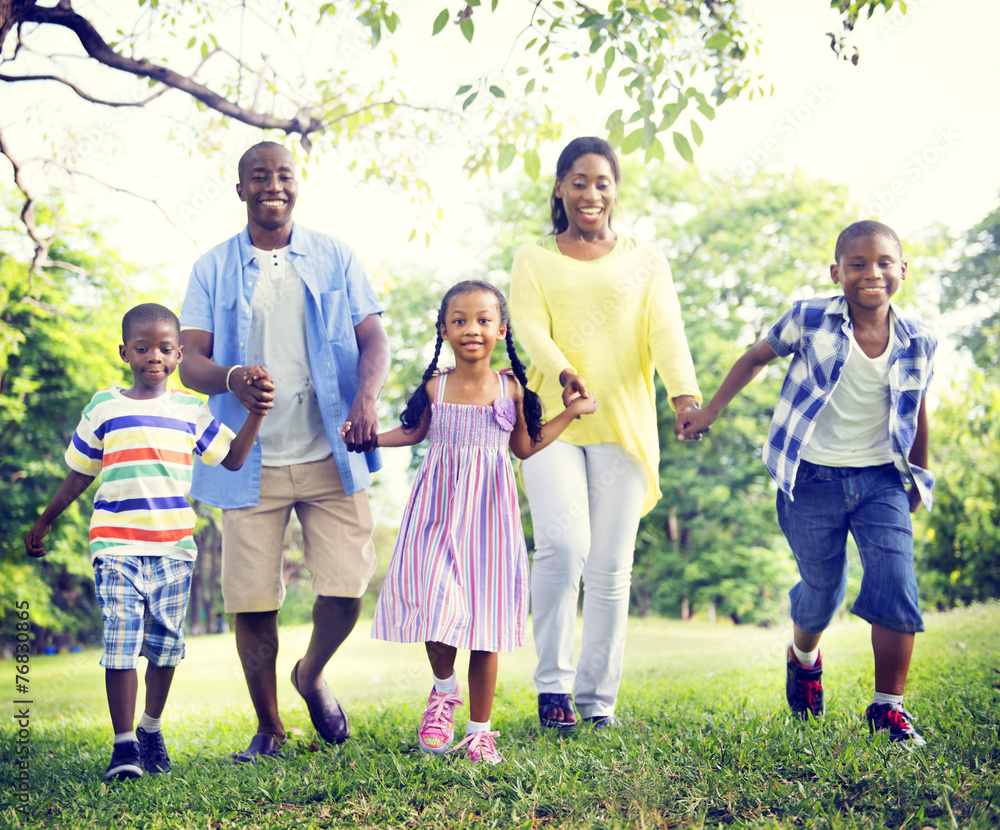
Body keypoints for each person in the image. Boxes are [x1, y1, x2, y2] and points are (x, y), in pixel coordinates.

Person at [679, 220, 935, 746]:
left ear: (903, 271)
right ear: (836, 271)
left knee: (896, 581)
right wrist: (710, 411)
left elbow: (916, 410)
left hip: (881, 479)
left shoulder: (919, 340)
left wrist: (918, 475)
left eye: (884, 262)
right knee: (822, 593)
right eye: (858, 264)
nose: (872, 274)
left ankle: (889, 708)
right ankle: (804, 659)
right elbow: (755, 357)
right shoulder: (810, 318)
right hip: (810, 478)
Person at [178, 141, 390, 762]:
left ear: (298, 185)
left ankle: (312, 674)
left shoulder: (334, 256)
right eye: (258, 176)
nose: (273, 185)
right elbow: (190, 359)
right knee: (252, 598)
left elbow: (373, 337)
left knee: (347, 589)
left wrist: (367, 400)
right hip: (247, 459)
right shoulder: (213, 266)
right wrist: (232, 378)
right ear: (240, 188)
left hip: (331, 447)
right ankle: (269, 727)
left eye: (283, 175)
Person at [349, 280, 598, 763]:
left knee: (485, 621)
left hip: (490, 516)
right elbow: (415, 430)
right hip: (436, 511)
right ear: (443, 329)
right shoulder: (435, 385)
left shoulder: (511, 387)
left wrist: (571, 413)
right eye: (460, 320)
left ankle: (480, 731)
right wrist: (371, 439)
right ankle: (443, 692)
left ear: (501, 330)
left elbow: (524, 447)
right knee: (435, 599)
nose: (472, 329)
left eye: (484, 320)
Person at [508, 137, 702, 731]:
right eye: (579, 181)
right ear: (560, 189)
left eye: (602, 182)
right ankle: (553, 689)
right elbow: (529, 330)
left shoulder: (646, 259)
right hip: (552, 423)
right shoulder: (533, 258)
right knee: (564, 550)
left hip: (624, 423)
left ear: (614, 190)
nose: (591, 193)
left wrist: (684, 393)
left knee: (611, 568)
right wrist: (566, 373)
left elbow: (665, 331)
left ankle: (596, 703)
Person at [24, 303, 264, 780]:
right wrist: (45, 520)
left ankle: (150, 728)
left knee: (166, 646)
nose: (154, 356)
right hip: (114, 546)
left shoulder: (190, 411)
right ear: (125, 353)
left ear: (178, 357)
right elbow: (77, 476)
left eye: (165, 348)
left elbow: (233, 459)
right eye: (142, 348)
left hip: (174, 550)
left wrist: (255, 413)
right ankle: (124, 746)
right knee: (120, 641)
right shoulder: (104, 407)